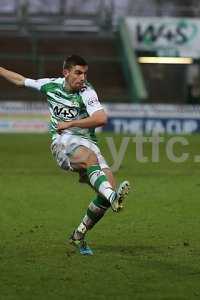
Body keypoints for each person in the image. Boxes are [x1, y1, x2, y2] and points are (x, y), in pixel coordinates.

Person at [0, 55, 131, 256]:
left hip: (88, 143)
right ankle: (114, 196)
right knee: (93, 165)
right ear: (66, 73)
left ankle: (78, 234)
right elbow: (20, 80)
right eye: (78, 73)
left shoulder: (87, 91)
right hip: (63, 142)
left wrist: (71, 123)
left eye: (85, 73)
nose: (83, 78)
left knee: (105, 194)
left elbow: (101, 118)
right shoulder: (50, 86)